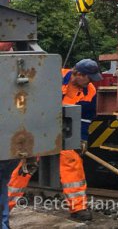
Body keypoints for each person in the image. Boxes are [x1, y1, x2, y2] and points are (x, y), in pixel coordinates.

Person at [7, 59, 102, 222]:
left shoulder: (90, 91)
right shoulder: (52, 76)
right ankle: (4, 205)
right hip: (36, 127)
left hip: (63, 132)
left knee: (72, 161)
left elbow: (85, 119)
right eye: (90, 78)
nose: (92, 82)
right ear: (78, 74)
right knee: (25, 166)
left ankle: (78, 208)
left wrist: (81, 139)